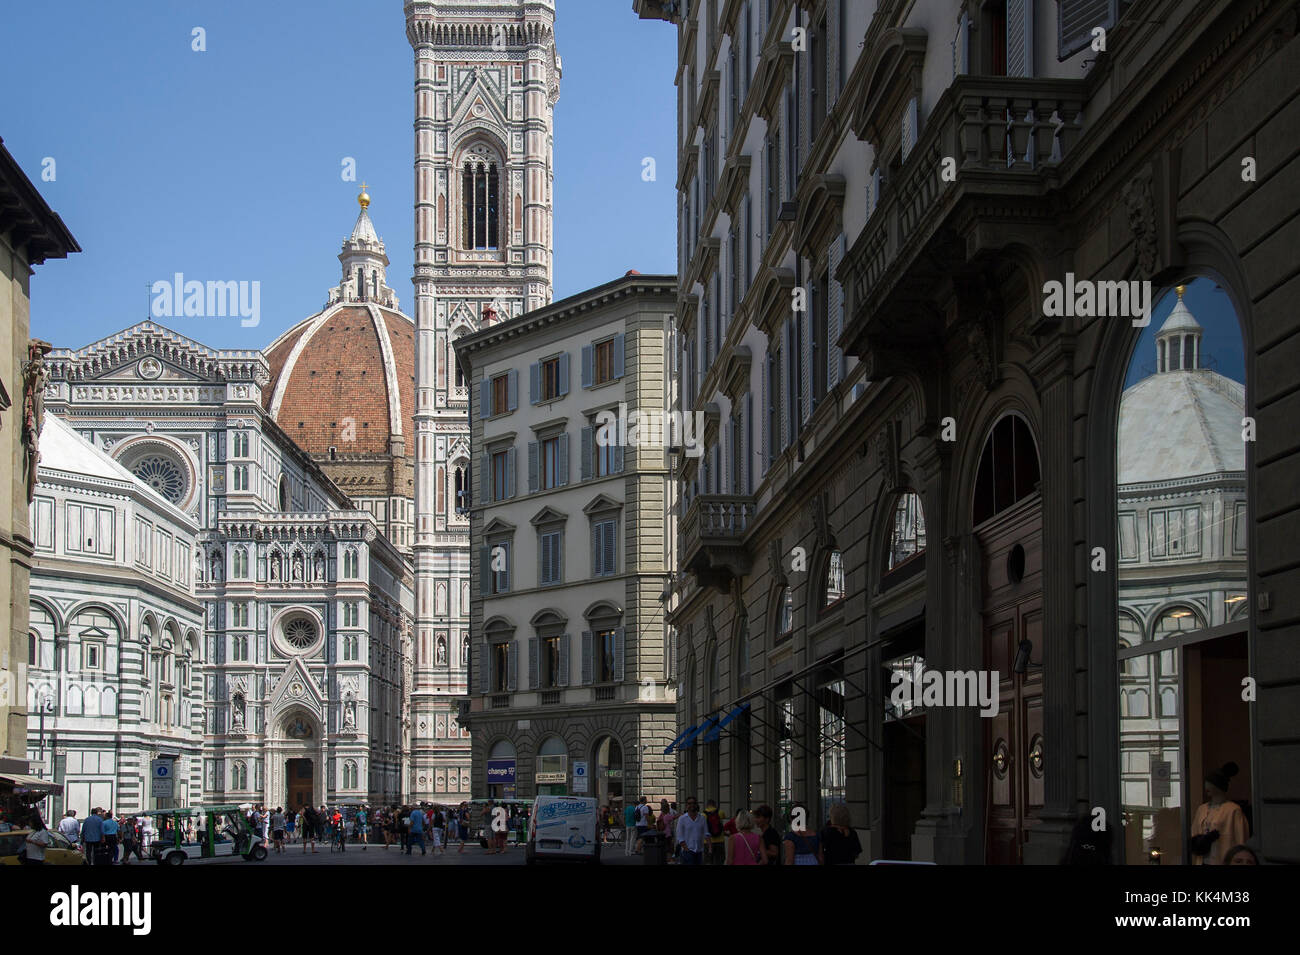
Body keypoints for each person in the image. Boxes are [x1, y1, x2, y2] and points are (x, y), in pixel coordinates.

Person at [1190, 762, 1249, 865]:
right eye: (1206, 783)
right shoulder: (1202, 809)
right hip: (1203, 860)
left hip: (1222, 859)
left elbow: (1241, 840)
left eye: (1211, 783)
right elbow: (1194, 834)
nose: (1206, 786)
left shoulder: (1233, 810)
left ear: (1219, 785)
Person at [675, 797, 709, 865]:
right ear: (686, 806)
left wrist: (710, 848)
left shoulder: (702, 818)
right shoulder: (682, 819)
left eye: (694, 803)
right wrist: (686, 849)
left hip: (699, 852)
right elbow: (679, 836)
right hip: (687, 852)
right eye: (689, 803)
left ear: (696, 805)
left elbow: (706, 833)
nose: (692, 805)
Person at [703, 799, 726, 865]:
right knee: (719, 861)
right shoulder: (721, 812)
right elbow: (722, 823)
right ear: (715, 805)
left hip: (707, 841)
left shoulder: (703, 814)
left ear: (707, 805)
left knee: (708, 861)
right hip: (720, 841)